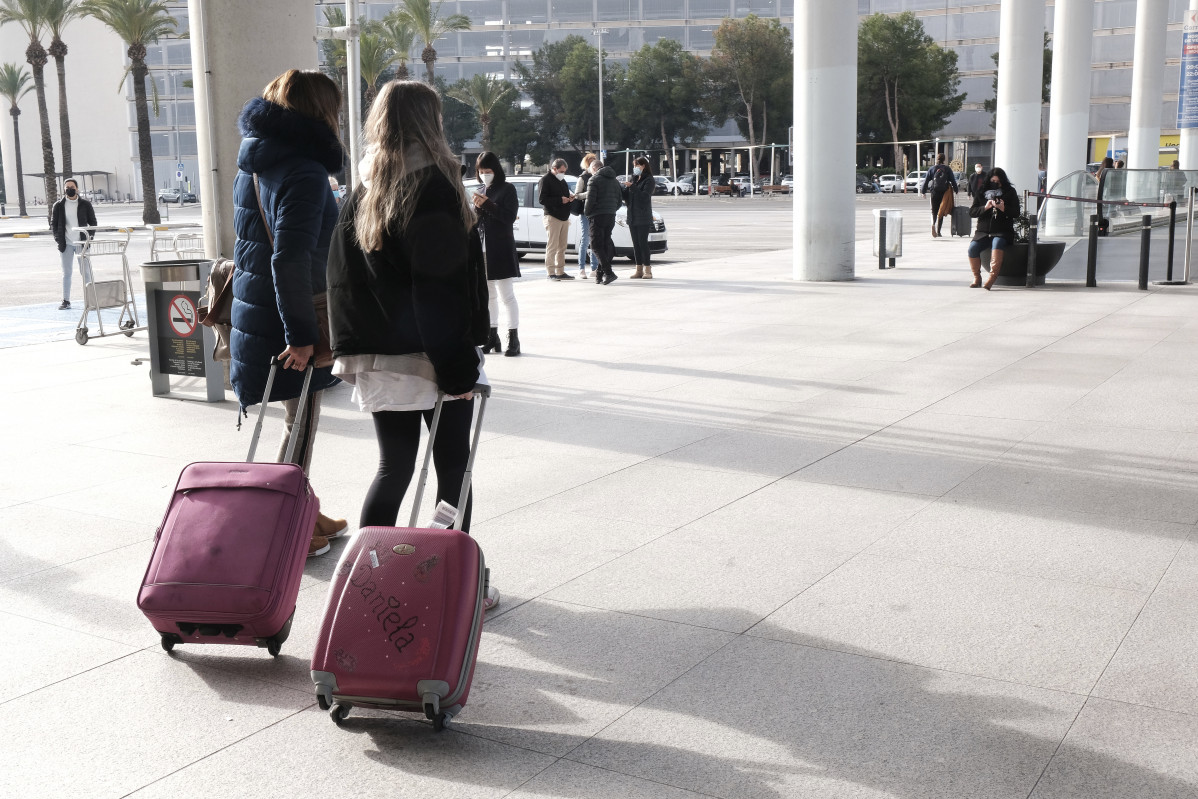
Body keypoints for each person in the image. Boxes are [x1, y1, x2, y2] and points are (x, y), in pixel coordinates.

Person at [325, 80, 498, 610]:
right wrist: (458, 367)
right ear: (432, 122)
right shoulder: (433, 185)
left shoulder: (364, 188)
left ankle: (363, 585)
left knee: (393, 467)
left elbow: (341, 277)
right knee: (452, 466)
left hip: (380, 355)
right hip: (430, 352)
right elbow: (437, 286)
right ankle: (453, 586)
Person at [232, 69, 347, 557]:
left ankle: (302, 506)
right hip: (291, 320)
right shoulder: (303, 171)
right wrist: (302, 334)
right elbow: (290, 257)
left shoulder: (256, 163)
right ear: (322, 113)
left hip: (260, 313)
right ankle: (284, 529)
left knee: (293, 417)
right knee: (301, 423)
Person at [472, 150, 521, 357]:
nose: (484, 174)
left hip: (500, 248)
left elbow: (508, 217)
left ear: (496, 170)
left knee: (506, 295)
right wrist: (475, 209)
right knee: (489, 294)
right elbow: (478, 221)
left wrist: (487, 204)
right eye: (481, 171)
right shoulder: (482, 189)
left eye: (488, 171)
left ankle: (513, 337)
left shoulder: (507, 189)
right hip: (483, 248)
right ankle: (492, 336)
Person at [966, 166, 1020, 290]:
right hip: (983, 231)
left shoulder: (1010, 192)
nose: (995, 184)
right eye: (993, 181)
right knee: (972, 249)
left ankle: (992, 278)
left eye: (998, 182)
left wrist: (1003, 208)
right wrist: (985, 207)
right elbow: (972, 212)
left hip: (1002, 231)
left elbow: (1016, 212)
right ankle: (977, 277)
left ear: (1003, 181)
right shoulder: (981, 192)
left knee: (997, 243)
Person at [50, 178, 97, 310]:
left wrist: (89, 238)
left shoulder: (85, 204)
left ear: (77, 189)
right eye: (67, 187)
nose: (69, 189)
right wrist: (58, 239)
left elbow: (93, 222)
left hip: (82, 243)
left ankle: (91, 300)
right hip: (66, 244)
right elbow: (53, 224)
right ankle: (66, 300)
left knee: (86, 272)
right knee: (67, 273)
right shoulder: (58, 205)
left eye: (71, 187)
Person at [585, 159, 622, 285]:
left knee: (595, 245)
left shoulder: (594, 180)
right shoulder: (614, 180)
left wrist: (587, 213)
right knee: (605, 245)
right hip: (610, 215)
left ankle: (608, 272)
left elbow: (590, 201)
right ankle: (599, 275)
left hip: (597, 216)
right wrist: (611, 210)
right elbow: (619, 201)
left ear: (594, 168)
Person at [538, 157, 575, 280]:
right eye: (561, 171)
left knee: (562, 246)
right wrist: (560, 200)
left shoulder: (562, 181)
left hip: (564, 217)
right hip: (552, 217)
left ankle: (560, 271)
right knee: (552, 245)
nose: (563, 174)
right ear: (554, 169)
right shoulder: (545, 180)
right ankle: (550, 272)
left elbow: (564, 195)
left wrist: (569, 198)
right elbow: (542, 200)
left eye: (564, 171)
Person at [622, 156, 656, 278]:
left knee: (643, 243)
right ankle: (638, 269)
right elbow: (628, 196)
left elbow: (644, 197)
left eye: (637, 165)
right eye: (634, 165)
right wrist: (624, 189)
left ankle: (648, 269)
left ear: (643, 166)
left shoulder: (649, 180)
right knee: (635, 244)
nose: (635, 168)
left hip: (643, 216)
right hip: (632, 216)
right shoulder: (635, 178)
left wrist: (632, 187)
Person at [920, 153, 958, 237]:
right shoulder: (947, 169)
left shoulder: (932, 169)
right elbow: (953, 180)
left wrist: (923, 192)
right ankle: (939, 231)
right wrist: (956, 190)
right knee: (941, 211)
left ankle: (933, 224)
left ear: (936, 159)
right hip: (944, 192)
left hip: (934, 192)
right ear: (944, 159)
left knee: (934, 211)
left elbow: (926, 181)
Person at [573, 152, 598, 279]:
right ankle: (581, 268)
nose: (593, 163)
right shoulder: (582, 177)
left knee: (595, 240)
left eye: (595, 160)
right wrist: (590, 193)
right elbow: (577, 195)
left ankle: (594, 268)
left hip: (596, 211)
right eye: (591, 161)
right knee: (585, 239)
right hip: (585, 212)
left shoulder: (599, 176)